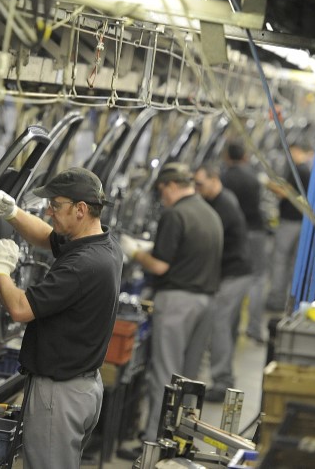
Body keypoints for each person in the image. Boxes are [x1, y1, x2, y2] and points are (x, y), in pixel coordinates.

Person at [0, 167, 123, 469]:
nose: (49, 211)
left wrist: (1, 270)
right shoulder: (105, 245)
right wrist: (12, 212)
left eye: (56, 205)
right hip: (83, 387)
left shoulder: (82, 266)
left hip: (60, 396)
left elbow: (21, 308)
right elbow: (46, 237)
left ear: (80, 209)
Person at [119, 162, 223, 441]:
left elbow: (161, 266)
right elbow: (189, 252)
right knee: (189, 380)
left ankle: (154, 442)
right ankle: (180, 441)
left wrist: (135, 252)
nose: (161, 197)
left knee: (164, 377)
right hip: (206, 303)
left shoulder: (175, 214)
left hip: (178, 303)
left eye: (161, 190)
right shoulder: (209, 213)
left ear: (172, 186)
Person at [191, 163, 252, 402]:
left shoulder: (223, 206)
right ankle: (224, 377)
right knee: (226, 326)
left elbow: (209, 241)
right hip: (236, 272)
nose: (197, 189)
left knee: (219, 325)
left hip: (234, 274)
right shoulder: (220, 199)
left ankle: (222, 380)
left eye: (200, 184)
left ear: (214, 180)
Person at [221, 140, 269, 343]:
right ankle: (254, 329)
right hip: (256, 232)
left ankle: (230, 329)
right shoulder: (254, 177)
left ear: (227, 157)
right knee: (257, 280)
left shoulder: (224, 178)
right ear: (244, 157)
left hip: (235, 236)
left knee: (233, 280)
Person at [265, 141, 313, 312]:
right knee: (292, 263)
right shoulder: (306, 169)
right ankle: (290, 300)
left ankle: (276, 300)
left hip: (290, 223)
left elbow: (287, 193)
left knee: (280, 261)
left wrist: (266, 183)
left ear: (295, 150)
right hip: (301, 222)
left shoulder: (298, 169)